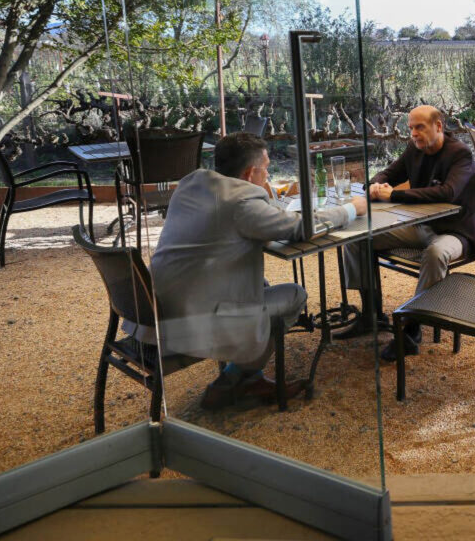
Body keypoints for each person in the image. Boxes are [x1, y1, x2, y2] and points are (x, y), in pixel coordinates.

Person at [150, 132, 367, 411]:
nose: (267, 174)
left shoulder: (192, 182)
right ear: (251, 172)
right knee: (295, 295)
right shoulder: (242, 202)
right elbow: (301, 229)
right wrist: (351, 209)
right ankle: (237, 379)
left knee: (261, 282)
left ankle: (243, 374)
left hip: (161, 306)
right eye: (265, 168)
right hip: (191, 321)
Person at [340, 105, 475, 361]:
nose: (413, 133)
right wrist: (375, 184)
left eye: (419, 127)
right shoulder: (415, 148)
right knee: (356, 237)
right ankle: (371, 315)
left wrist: (395, 194)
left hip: (457, 231)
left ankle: (411, 331)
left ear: (439, 126)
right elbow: (391, 171)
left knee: (435, 253)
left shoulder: (461, 154)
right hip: (422, 225)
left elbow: (448, 192)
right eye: (410, 128)